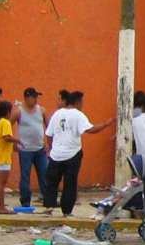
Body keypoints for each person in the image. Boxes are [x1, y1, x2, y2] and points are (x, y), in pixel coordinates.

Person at [43, 90, 114, 218]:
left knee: (52, 180)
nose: (83, 105)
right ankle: (67, 210)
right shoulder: (78, 115)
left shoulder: (57, 114)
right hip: (72, 153)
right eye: (82, 102)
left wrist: (51, 149)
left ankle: (49, 206)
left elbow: (49, 134)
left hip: (56, 154)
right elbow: (91, 130)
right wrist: (106, 124)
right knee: (70, 183)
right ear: (77, 102)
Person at [11, 88, 47, 210]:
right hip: (25, 149)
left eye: (37, 97)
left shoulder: (41, 110)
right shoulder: (19, 112)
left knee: (44, 174)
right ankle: (25, 200)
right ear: (26, 98)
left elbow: (49, 126)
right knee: (25, 175)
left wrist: (47, 142)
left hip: (40, 149)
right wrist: (13, 141)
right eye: (33, 97)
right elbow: (7, 125)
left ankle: (48, 198)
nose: (36, 99)